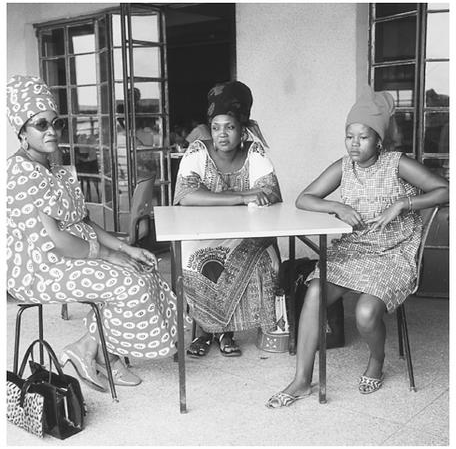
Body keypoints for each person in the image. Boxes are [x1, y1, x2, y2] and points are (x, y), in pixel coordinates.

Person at [266, 86, 449, 408]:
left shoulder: (396, 163)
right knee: (313, 292)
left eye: (363, 137)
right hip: (354, 250)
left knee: (365, 313)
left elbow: (443, 191)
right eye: (349, 136)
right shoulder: (343, 167)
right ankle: (302, 380)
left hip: (395, 253)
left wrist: (403, 204)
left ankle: (377, 361)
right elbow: (305, 198)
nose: (354, 144)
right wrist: (336, 207)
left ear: (378, 139)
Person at [6, 75, 178, 392]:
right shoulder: (21, 172)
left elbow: (84, 222)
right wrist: (110, 255)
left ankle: (91, 350)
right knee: (127, 282)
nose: (52, 132)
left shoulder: (56, 169)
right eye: (41, 125)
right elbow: (57, 241)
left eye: (55, 124)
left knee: (142, 269)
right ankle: (102, 356)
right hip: (41, 268)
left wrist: (126, 250)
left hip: (72, 253)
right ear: (22, 133)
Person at [173, 80, 282, 357]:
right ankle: (206, 331)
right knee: (196, 263)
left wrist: (249, 195)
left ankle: (223, 330)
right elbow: (186, 195)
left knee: (268, 262)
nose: (222, 135)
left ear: (242, 130)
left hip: (244, 233)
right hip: (201, 234)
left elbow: (269, 192)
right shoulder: (198, 151)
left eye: (230, 127)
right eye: (216, 127)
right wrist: (243, 196)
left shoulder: (253, 152)